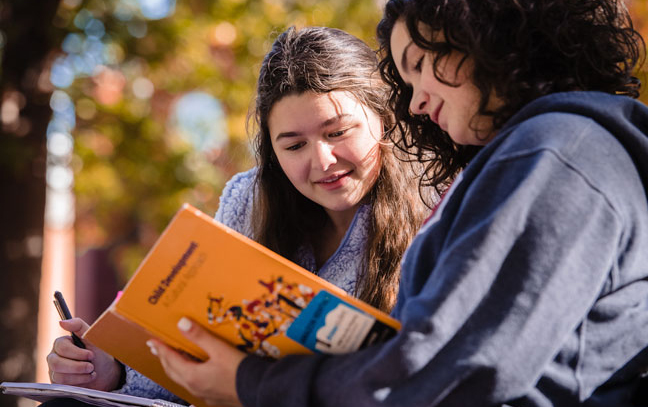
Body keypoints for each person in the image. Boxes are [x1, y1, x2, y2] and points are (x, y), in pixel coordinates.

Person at [142, 0, 648, 406]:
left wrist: (249, 384)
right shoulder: (556, 149)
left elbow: (439, 370)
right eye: (293, 144)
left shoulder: (558, 154)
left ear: (492, 38)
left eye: (423, 66)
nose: (417, 102)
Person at [45, 26, 431, 405]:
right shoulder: (249, 200)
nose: (322, 161)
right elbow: (194, 345)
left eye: (338, 132)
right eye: (294, 145)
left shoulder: (436, 202)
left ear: (384, 115)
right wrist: (111, 370)